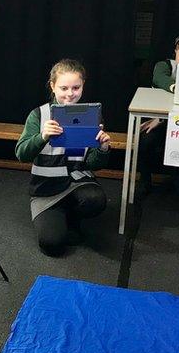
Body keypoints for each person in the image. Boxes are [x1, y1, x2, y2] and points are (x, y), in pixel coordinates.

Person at [15, 59, 111, 257]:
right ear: (52, 86)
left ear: (83, 86)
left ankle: (72, 216)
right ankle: (58, 215)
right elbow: (21, 154)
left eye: (76, 87)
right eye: (64, 87)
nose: (70, 94)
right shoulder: (39, 115)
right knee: (52, 245)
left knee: (95, 200)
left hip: (78, 183)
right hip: (46, 189)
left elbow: (94, 164)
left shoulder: (90, 115)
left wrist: (102, 148)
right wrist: (42, 136)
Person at [139, 33, 179, 200]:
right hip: (160, 123)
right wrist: (176, 88)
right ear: (176, 52)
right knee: (146, 140)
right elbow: (159, 78)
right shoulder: (165, 66)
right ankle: (144, 180)